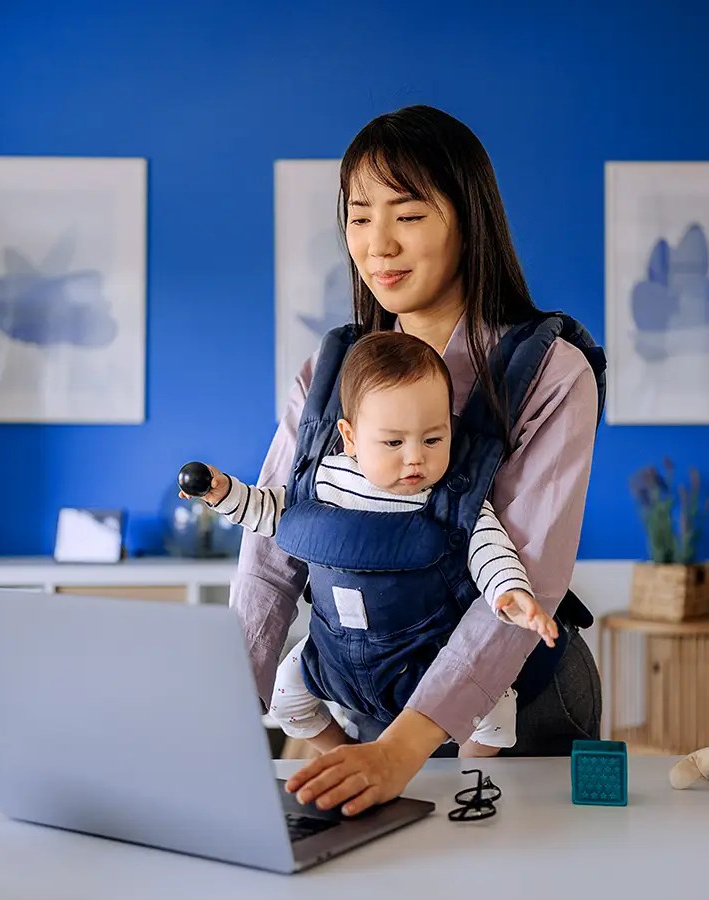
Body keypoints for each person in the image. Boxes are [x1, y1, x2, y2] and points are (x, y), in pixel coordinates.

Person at [231, 104, 604, 818]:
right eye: (359, 216)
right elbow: (268, 557)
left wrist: (403, 750)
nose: (378, 246)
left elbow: (529, 575)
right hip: (368, 695)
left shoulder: (551, 373)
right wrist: (223, 713)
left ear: (468, 219)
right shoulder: (325, 372)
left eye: (407, 214)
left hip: (514, 703)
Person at [182, 330, 558, 759]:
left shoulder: (450, 496)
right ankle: (340, 754)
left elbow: (490, 548)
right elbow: (269, 512)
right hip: (333, 651)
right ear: (351, 437)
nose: (415, 457)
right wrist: (222, 492)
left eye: (433, 439)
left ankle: (466, 778)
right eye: (394, 442)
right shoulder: (325, 480)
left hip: (423, 653)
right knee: (285, 696)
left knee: (493, 706)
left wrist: (512, 593)